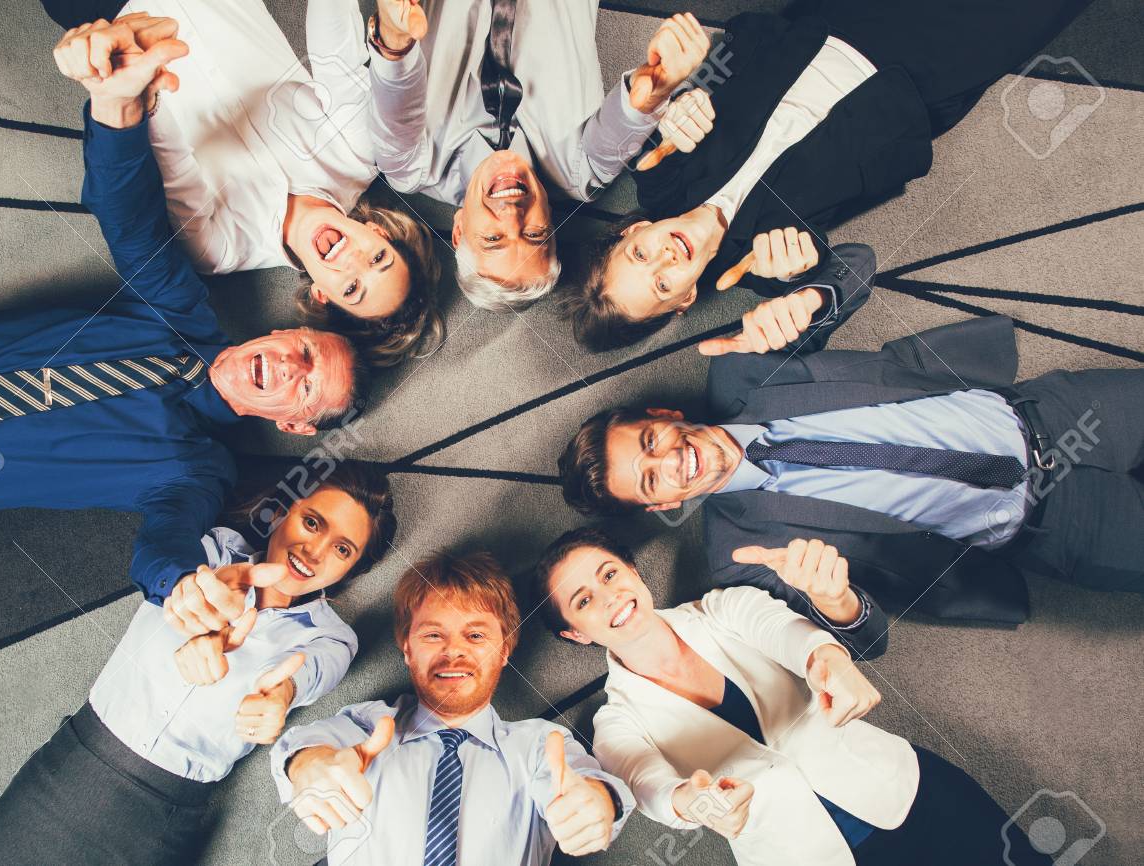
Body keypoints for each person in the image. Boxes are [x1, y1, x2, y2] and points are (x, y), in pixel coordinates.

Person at [0, 28, 366, 600]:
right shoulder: (181, 313)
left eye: (307, 389)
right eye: (307, 350)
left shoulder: (195, 470)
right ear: (282, 332)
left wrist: (187, 588)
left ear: (292, 424)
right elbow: (132, 220)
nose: (293, 367)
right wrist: (119, 110)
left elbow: (164, 548)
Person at [559, 294, 1144, 623]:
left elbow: (855, 268)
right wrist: (836, 604)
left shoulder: (744, 364)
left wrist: (807, 297)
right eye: (651, 481)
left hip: (1056, 411)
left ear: (663, 418)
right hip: (1056, 529)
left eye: (649, 443)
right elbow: (863, 639)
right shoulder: (741, 562)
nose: (670, 462)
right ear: (668, 502)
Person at [561, 0, 1092, 351]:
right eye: (661, 282)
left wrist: (684, 97)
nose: (665, 257)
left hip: (838, 19)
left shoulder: (658, 172)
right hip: (917, 82)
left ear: (632, 231)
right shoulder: (765, 271)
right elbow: (849, 275)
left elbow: (722, 59)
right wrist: (804, 287)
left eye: (638, 254)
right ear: (683, 300)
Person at [535, 527, 1054, 866]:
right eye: (584, 601)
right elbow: (648, 784)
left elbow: (786, 632)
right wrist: (694, 803)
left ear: (633, 573)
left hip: (905, 792)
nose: (610, 597)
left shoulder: (724, 607)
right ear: (576, 633)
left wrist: (827, 659)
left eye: (610, 575)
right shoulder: (614, 724)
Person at [0, 463, 397, 866]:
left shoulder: (332, 638)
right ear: (282, 513)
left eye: (342, 548)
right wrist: (193, 598)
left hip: (162, 819)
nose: (315, 550)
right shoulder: (211, 550)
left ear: (351, 568)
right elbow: (158, 556)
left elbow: (307, 676)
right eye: (312, 522)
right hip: (69, 775)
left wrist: (279, 695)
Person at [44, 4, 443, 367]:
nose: (352, 260)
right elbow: (333, 44)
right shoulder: (358, 153)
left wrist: (139, 80)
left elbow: (167, 148)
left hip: (113, 20)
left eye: (353, 288)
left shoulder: (222, 249)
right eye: (378, 258)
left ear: (323, 295)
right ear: (379, 232)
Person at [270, 550, 636, 864]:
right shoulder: (371, 725)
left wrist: (597, 802)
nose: (454, 651)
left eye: (476, 635)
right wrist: (310, 766)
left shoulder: (540, 746)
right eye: (433, 635)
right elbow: (309, 745)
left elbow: (587, 784)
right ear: (408, 650)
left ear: (505, 650)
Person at [366, 0, 710, 309]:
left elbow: (398, 103)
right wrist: (655, 90)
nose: (512, 215)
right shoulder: (582, 175)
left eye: (493, 239)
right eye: (534, 235)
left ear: (458, 232)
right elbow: (627, 119)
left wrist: (395, 40)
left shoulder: (410, 167)